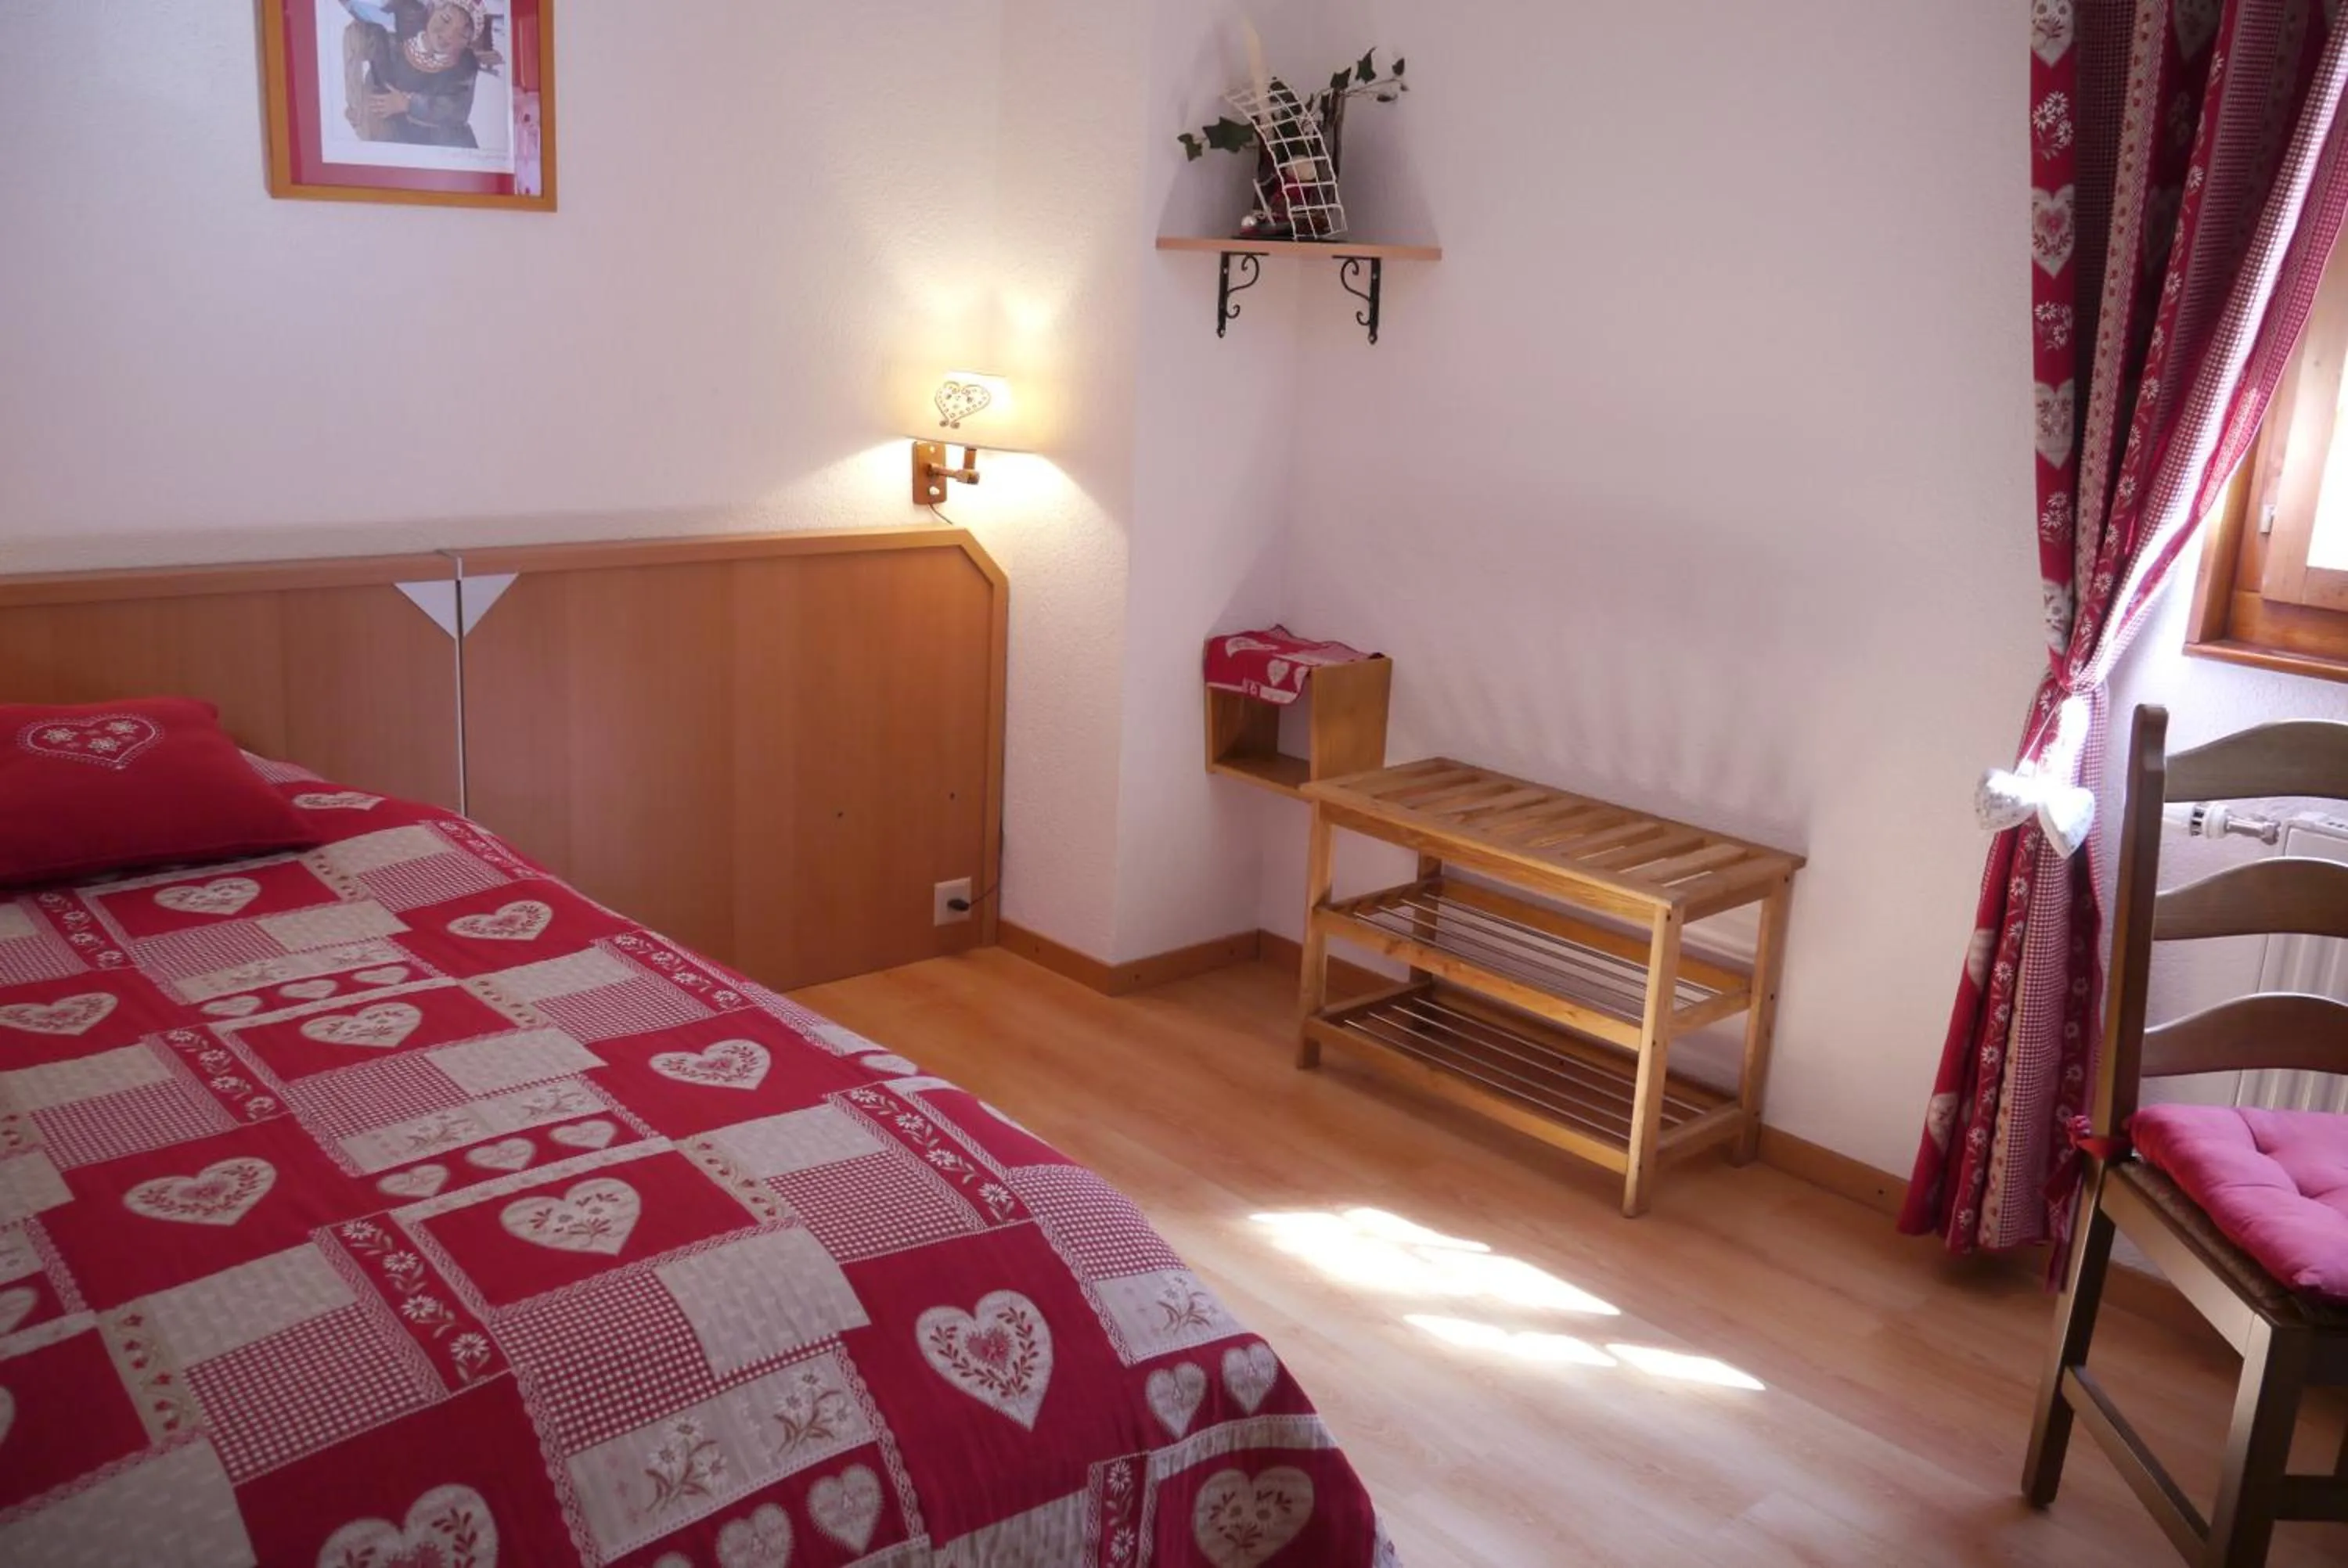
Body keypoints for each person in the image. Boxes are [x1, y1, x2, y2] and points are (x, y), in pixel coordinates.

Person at [339, 0, 502, 148]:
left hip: (445, 148)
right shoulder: (396, 43)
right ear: (432, 10)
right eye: (445, 20)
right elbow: (373, 71)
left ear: (468, 43)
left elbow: (455, 110)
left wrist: (408, 104)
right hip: (397, 142)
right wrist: (359, 104)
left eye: (462, 35)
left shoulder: (464, 68)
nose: (448, 35)